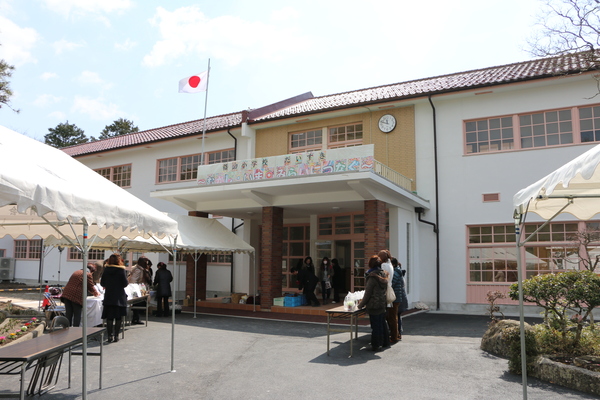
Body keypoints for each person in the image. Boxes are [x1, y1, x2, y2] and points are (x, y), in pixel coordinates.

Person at [358, 255, 389, 351]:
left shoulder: (372, 277)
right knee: (382, 323)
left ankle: (376, 345)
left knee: (375, 326)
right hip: (382, 303)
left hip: (374, 304)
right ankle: (385, 342)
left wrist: (360, 305)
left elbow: (368, 293)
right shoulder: (383, 274)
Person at [101, 253, 129, 343]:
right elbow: (125, 284)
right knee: (118, 317)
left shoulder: (106, 270)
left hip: (109, 295)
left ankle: (109, 336)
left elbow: (102, 283)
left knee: (109, 317)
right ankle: (116, 336)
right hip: (119, 296)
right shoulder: (121, 270)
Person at [379, 249, 397, 342]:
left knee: (386, 317)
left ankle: (386, 337)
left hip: (385, 291)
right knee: (390, 317)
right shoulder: (390, 264)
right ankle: (391, 336)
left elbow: (382, 279)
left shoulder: (384, 266)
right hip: (389, 288)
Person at [128, 256, 152, 325]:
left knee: (138, 304)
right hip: (138, 290)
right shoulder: (138, 270)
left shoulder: (141, 269)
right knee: (137, 304)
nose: (147, 264)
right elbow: (133, 281)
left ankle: (136, 318)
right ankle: (135, 319)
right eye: (146, 262)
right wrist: (137, 288)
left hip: (141, 289)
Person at [391, 257, 409, 341]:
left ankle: (397, 334)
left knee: (395, 316)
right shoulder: (400, 273)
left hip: (397, 298)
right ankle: (399, 333)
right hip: (401, 298)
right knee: (397, 316)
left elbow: (391, 285)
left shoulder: (395, 273)